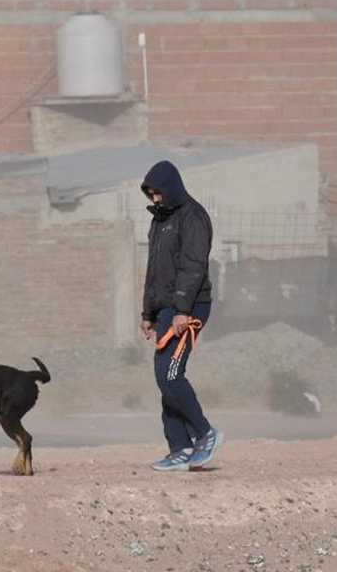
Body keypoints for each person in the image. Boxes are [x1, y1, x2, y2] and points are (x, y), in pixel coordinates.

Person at [140, 160, 223, 471]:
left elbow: (193, 266)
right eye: (150, 194)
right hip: (165, 309)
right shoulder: (160, 220)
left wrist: (183, 311)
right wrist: (148, 313)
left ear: (171, 188)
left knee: (171, 375)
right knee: (164, 379)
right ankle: (180, 448)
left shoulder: (193, 217)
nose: (154, 199)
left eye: (158, 193)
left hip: (188, 308)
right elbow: (153, 271)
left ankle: (206, 434)